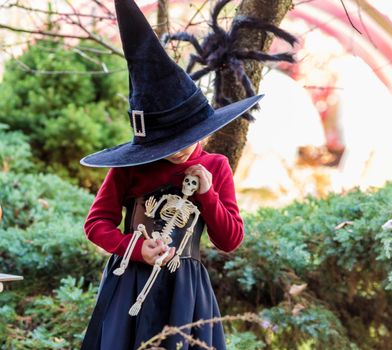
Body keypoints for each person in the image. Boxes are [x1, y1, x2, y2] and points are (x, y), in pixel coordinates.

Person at [79, 1, 261, 349]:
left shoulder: (216, 166)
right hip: (129, 283)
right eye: (167, 144)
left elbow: (230, 239)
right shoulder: (131, 166)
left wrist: (207, 195)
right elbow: (96, 223)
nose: (178, 150)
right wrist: (133, 248)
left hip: (186, 293)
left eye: (186, 140)